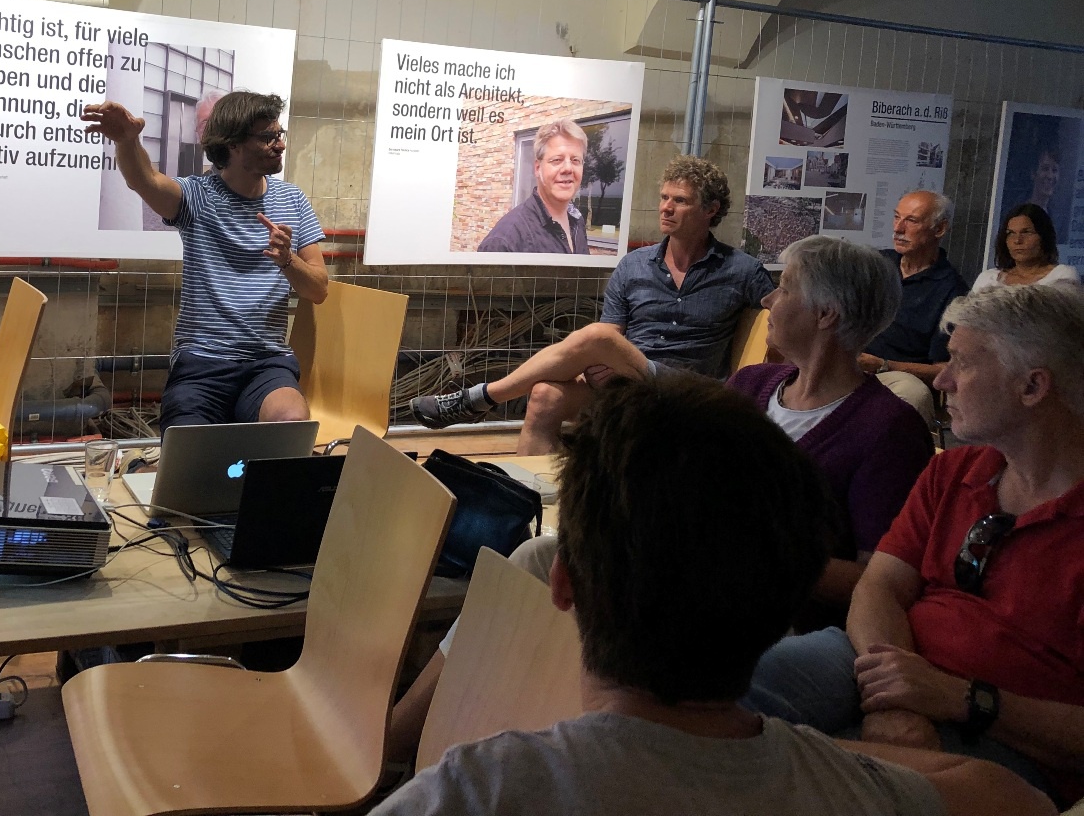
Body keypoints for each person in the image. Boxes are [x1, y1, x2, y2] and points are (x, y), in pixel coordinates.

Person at [373, 375, 1053, 816]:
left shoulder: (471, 790)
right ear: (788, 598)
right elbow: (1015, 798)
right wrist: (807, 753)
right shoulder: (855, 790)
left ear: (566, 585)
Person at [745, 283, 1084, 808]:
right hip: (879, 659)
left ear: (1033, 385)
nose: (941, 380)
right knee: (704, 695)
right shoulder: (955, 470)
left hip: (1008, 734)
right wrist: (898, 696)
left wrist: (961, 699)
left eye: (961, 363)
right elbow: (879, 587)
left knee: (801, 782)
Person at [411, 155, 773, 454]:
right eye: (664, 197)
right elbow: (611, 333)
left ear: (711, 209)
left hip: (692, 390)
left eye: (680, 201)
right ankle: (530, 499)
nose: (666, 207)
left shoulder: (741, 270)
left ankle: (478, 399)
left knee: (597, 337)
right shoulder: (633, 266)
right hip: (632, 381)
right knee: (545, 396)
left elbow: (786, 315)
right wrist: (597, 366)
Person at [81, 90, 327, 427]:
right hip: (202, 361)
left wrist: (288, 260)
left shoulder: (292, 200)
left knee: (291, 420)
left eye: (279, 134)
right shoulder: (197, 196)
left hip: (266, 363)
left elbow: (319, 289)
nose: (280, 144)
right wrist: (127, 141)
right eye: (267, 137)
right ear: (234, 144)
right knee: (187, 440)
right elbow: (144, 179)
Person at [728, 236, 934, 624]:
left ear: (825, 314)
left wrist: (755, 556)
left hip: (793, 628)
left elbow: (881, 582)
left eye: (784, 288)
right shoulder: (749, 385)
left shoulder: (889, 431)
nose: (768, 300)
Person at [858, 190, 968, 404]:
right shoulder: (877, 264)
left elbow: (945, 369)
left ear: (939, 229)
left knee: (912, 392)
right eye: (896, 217)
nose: (898, 228)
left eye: (911, 221)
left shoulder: (953, 290)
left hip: (897, 376)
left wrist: (883, 365)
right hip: (850, 363)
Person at [477, 119, 590, 255]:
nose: (568, 168)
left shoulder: (577, 222)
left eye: (575, 160)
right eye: (557, 160)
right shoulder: (505, 241)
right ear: (537, 168)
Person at [973, 203, 1079, 289]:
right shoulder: (987, 279)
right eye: (1011, 233)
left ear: (1044, 237)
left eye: (1026, 232)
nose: (1017, 240)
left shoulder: (1061, 276)